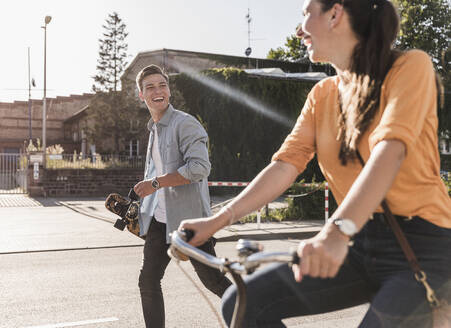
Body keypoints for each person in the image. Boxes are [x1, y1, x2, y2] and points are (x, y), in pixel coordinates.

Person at [180, 0, 451, 327]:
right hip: (358, 242)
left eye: (306, 14)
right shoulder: (323, 95)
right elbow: (284, 166)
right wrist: (215, 222)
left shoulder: (409, 66)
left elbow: (390, 151)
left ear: (335, 14)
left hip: (422, 247)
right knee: (241, 303)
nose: (299, 29)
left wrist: (335, 232)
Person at [133, 64, 231, 328]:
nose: (158, 91)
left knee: (213, 281)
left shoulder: (185, 123)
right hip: (161, 221)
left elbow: (199, 168)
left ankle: (259, 318)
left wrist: (155, 183)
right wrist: (141, 209)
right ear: (141, 95)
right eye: (150, 87)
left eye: (162, 85)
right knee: (148, 280)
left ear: (169, 90)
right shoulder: (154, 129)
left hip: (191, 222)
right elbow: (158, 177)